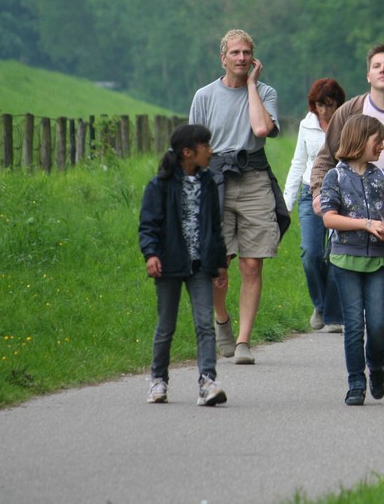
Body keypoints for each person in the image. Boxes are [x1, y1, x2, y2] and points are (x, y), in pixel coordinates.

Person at [310, 44, 384, 383]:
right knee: (370, 290)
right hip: (354, 211)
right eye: (377, 65)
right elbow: (326, 156)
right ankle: (382, 349)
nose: (383, 70)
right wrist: (319, 192)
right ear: (368, 74)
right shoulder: (350, 111)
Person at [189, 29, 288, 366]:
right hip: (215, 180)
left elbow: (261, 130)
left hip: (254, 178)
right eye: (235, 53)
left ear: (253, 58)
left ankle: (244, 340)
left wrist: (252, 86)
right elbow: (193, 147)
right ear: (223, 58)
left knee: (252, 263)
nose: (241, 58)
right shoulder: (204, 96)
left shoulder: (265, 92)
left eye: (247, 52)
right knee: (219, 264)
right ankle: (222, 320)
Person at [138, 124, 228, 406]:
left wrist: (220, 263)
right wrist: (151, 254)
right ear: (188, 152)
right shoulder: (160, 185)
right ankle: (158, 380)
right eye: (206, 146)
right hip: (169, 264)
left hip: (200, 266)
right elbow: (148, 225)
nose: (210, 150)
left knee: (205, 324)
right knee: (166, 326)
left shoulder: (209, 183)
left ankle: (207, 383)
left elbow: (214, 227)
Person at [320, 115, 384, 406]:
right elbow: (329, 218)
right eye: (378, 140)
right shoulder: (335, 176)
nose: (382, 146)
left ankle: (376, 368)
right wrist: (366, 224)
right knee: (354, 325)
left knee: (378, 324)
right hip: (345, 261)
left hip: (378, 261)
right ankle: (356, 382)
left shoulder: (383, 177)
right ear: (359, 140)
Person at [283, 78, 347, 333]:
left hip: (342, 194)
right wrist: (286, 203)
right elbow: (298, 162)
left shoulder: (348, 123)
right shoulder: (306, 125)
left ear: (338, 104)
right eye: (320, 105)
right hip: (310, 192)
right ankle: (320, 305)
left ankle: (332, 314)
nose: (324, 111)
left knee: (335, 253)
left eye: (329, 105)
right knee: (311, 253)